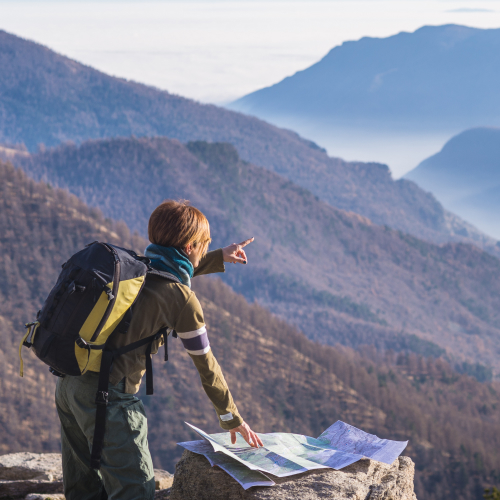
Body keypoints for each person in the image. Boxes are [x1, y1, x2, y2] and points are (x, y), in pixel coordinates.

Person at [55, 200, 263, 500]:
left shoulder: (137, 267)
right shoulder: (183, 300)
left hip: (68, 381)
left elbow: (173, 270)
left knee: (85, 491)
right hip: (106, 396)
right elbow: (207, 365)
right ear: (191, 246)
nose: (205, 250)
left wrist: (219, 256)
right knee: (135, 490)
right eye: (204, 245)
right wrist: (231, 417)